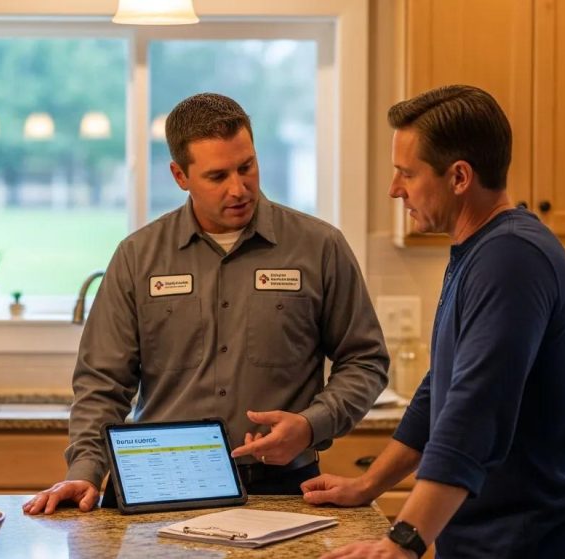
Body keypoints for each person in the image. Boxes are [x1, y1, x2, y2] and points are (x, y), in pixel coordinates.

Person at [23, 92, 390, 515]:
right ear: (180, 175)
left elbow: (365, 360)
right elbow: (102, 383)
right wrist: (85, 470)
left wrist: (312, 425)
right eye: (217, 176)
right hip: (159, 484)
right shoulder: (138, 256)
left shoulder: (319, 246)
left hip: (283, 486)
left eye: (247, 167)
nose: (239, 189)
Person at [302, 85, 565, 559]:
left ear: (460, 177)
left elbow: (474, 410)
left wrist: (402, 541)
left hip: (534, 547)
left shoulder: (511, 258)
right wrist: (368, 485)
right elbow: (440, 392)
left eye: (407, 173)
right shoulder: (481, 251)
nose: (394, 188)